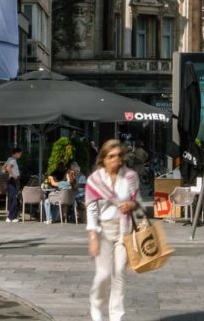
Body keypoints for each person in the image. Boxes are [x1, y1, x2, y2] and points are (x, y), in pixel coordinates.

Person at [84, 138, 143, 321]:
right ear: (103, 158)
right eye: (111, 156)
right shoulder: (94, 180)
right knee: (102, 275)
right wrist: (93, 236)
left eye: (118, 156)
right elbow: (91, 209)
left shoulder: (131, 177)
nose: (116, 160)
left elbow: (139, 203)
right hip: (103, 229)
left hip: (124, 230)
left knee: (119, 275)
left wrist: (131, 204)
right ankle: (96, 304)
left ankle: (116, 316)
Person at [3, 149, 25, 221]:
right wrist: (12, 175)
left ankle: (14, 216)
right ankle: (10, 217)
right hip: (12, 181)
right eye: (20, 154)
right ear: (16, 153)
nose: (20, 155)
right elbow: (8, 167)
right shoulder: (12, 160)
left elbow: (4, 167)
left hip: (10, 182)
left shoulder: (9, 159)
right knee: (14, 199)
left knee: (13, 199)